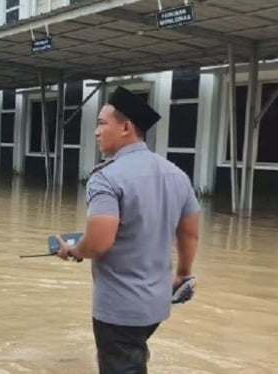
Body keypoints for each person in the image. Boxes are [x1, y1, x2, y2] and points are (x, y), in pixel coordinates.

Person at [55, 86, 200, 373]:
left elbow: (98, 243)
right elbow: (189, 234)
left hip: (119, 308)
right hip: (156, 305)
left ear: (125, 127)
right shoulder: (177, 174)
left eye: (101, 123)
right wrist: (183, 274)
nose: (96, 132)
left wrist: (73, 250)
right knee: (133, 360)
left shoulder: (106, 178)